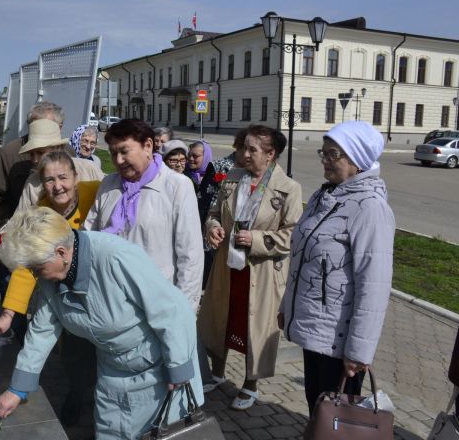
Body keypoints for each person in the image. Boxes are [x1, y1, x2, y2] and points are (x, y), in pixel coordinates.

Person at [0, 207, 203, 439]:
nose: (35, 276)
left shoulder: (116, 257)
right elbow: (42, 331)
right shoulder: (51, 276)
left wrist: (178, 367)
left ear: (61, 252)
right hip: (112, 373)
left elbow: (171, 311)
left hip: (160, 373)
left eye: (37, 269)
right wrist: (18, 387)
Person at [0, 151, 100, 425]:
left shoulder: (96, 193)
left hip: (100, 287)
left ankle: (98, 396)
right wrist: (7, 315)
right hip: (65, 295)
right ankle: (77, 395)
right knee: (74, 353)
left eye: (63, 177)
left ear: (75, 178)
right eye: (50, 180)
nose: (58, 186)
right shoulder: (41, 214)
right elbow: (26, 266)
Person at [278, 121, 394, 415]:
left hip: (340, 344)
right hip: (314, 330)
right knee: (318, 411)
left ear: (357, 159)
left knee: (338, 419)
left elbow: (374, 287)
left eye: (333, 155)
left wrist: (358, 351)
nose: (325, 161)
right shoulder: (324, 196)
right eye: (324, 153)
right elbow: (302, 257)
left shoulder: (370, 208)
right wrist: (287, 307)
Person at [198, 125, 302, 410]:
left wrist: (256, 239)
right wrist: (214, 227)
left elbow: (292, 234)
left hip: (261, 272)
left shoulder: (289, 189)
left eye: (252, 149)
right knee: (223, 318)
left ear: (271, 155)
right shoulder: (232, 179)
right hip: (227, 267)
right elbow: (214, 212)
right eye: (244, 147)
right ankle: (217, 372)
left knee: (253, 327)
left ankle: (250, 385)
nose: (244, 154)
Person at [84, 119, 203, 311]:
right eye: (113, 154)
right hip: (109, 301)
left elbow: (190, 256)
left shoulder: (177, 186)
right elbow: (90, 236)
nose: (118, 160)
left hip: (156, 306)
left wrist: (184, 312)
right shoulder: (108, 185)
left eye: (124, 151)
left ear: (148, 146)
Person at [0, 101, 65, 341]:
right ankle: (18, 333)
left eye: (41, 152)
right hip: (21, 241)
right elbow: (14, 212)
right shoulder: (13, 158)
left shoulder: (78, 167)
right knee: (15, 284)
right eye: (33, 153)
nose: (35, 159)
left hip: (61, 251)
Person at [16, 120, 104, 211]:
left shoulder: (89, 169)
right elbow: (20, 221)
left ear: (58, 148)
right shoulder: (32, 183)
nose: (35, 160)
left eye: (40, 152)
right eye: (31, 154)